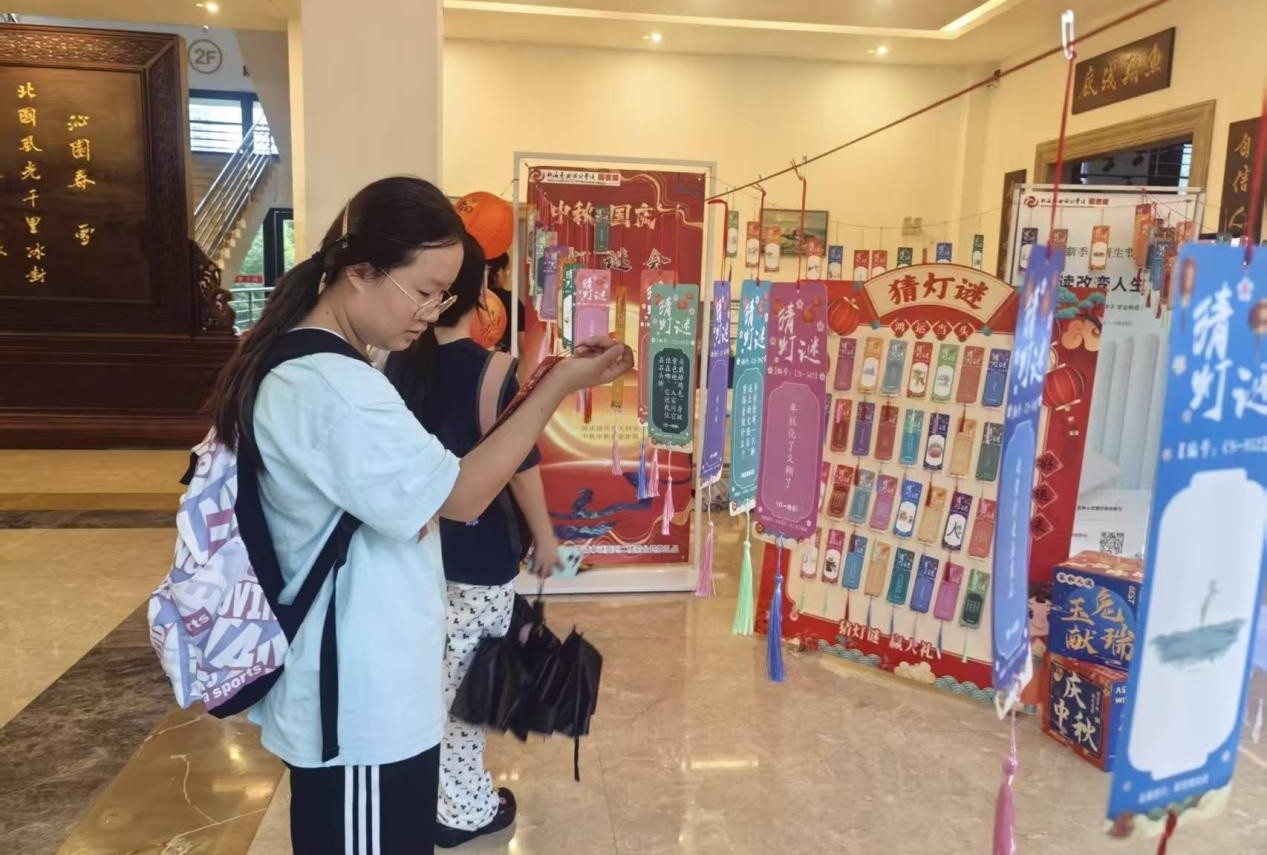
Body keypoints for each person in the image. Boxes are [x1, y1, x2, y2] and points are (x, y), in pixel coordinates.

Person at [204, 176, 632, 855]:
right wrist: (555, 386)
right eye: (425, 290)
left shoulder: (335, 366)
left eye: (444, 295)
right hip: (357, 707)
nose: (432, 312)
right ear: (359, 270)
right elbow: (460, 496)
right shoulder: (334, 387)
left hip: (369, 686)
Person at [385, 232, 557, 848]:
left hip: (412, 552)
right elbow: (521, 464)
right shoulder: (497, 372)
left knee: (422, 679)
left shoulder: (394, 367)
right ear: (482, 293)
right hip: (481, 557)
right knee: (466, 688)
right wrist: (545, 536)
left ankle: (417, 794)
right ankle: (461, 810)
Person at [484, 252, 526, 354]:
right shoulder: (512, 302)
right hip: (502, 358)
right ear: (499, 272)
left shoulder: (476, 298)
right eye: (506, 269)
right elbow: (522, 344)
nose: (508, 273)